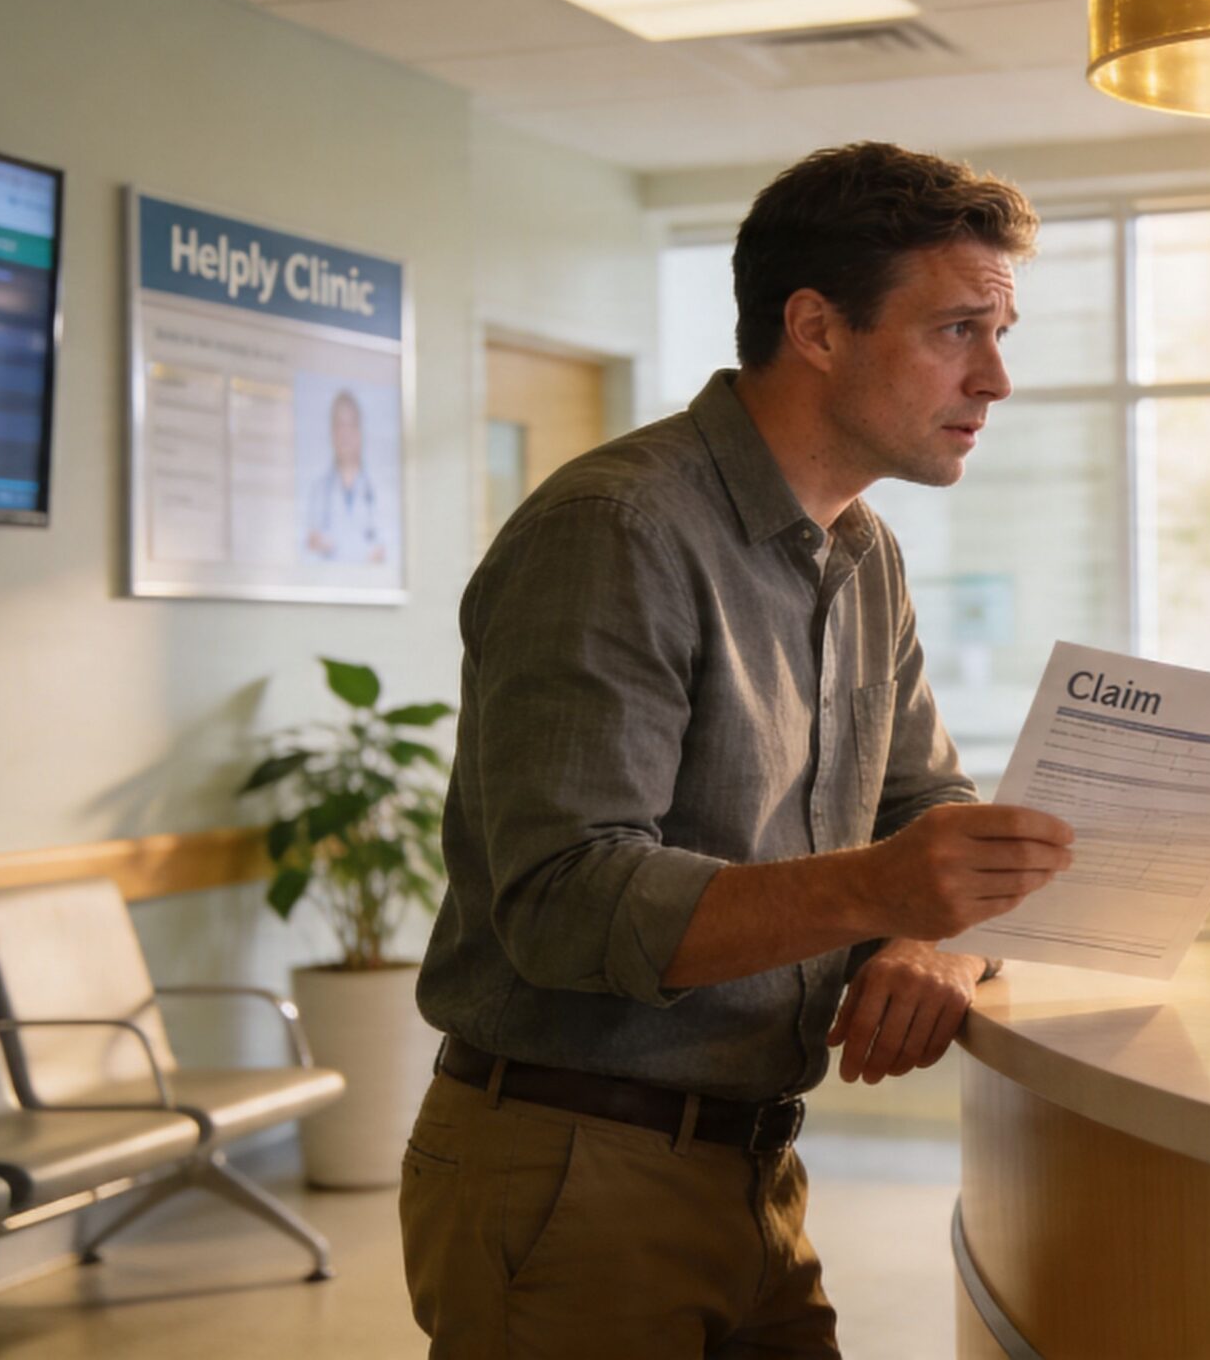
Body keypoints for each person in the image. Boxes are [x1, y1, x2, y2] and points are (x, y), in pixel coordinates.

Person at [401, 142, 1076, 1357]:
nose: (996, 379)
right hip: (574, 1168)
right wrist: (882, 889)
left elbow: (926, 804)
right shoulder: (617, 528)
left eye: (1000, 332)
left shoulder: (862, 551)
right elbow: (564, 901)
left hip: (753, 1163)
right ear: (816, 328)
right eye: (958, 331)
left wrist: (926, 938)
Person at [304, 388, 387, 564]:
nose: (345, 434)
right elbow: (309, 550)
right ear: (332, 432)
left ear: (360, 432)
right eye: (339, 425)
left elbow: (383, 553)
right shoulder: (318, 491)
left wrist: (332, 546)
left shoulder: (379, 491)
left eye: (351, 425)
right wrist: (363, 552)